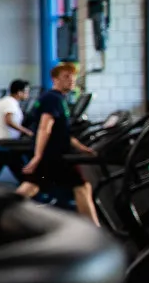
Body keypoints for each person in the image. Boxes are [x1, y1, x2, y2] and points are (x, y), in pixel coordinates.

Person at [20, 62, 99, 225]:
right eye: (66, 77)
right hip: (53, 156)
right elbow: (44, 128)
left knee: (32, 187)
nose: (71, 80)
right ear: (55, 79)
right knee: (81, 188)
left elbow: (62, 133)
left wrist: (84, 149)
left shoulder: (57, 99)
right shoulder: (52, 99)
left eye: (73, 77)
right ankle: (95, 230)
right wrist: (38, 155)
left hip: (55, 155)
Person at [0, 79, 32, 184]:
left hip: (2, 143)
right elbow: (9, 121)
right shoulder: (10, 103)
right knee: (22, 174)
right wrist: (26, 131)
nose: (28, 94)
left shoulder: (5, 101)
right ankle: (31, 194)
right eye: (26, 91)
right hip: (8, 143)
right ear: (19, 92)